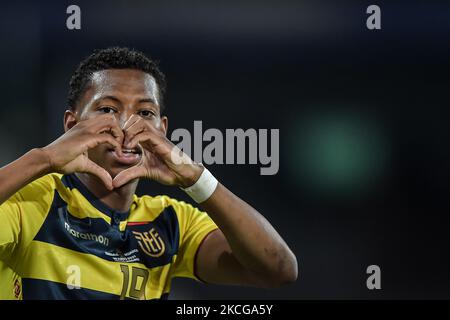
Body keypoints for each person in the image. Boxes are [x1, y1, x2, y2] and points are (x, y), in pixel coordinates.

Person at [0, 47, 297, 299]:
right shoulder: (34, 199)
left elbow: (279, 269)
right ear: (71, 124)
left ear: (162, 130)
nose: (127, 126)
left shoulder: (170, 221)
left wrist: (196, 178)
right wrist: (45, 158)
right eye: (107, 109)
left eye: (144, 113)